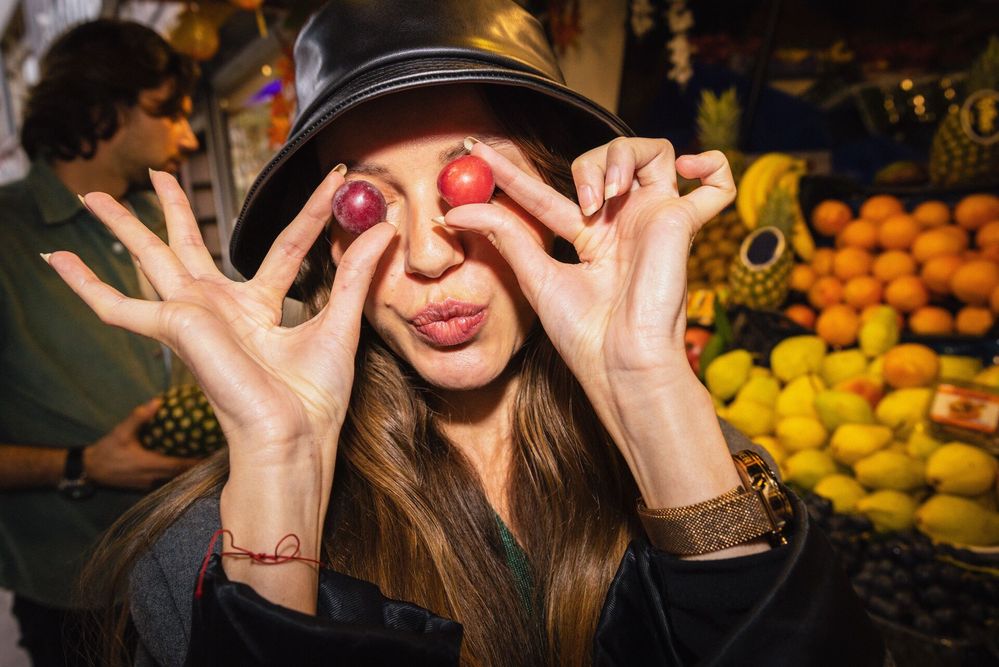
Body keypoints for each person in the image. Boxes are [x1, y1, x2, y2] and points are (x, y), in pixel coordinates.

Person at [50, 2, 886, 665]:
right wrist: (281, 468)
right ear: (324, 247)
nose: (424, 255)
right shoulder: (209, 552)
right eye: (365, 203)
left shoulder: (711, 471)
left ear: (562, 201)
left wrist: (649, 387)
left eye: (474, 179)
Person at [0, 19, 199, 667]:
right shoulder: (5, 237)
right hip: (79, 595)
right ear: (99, 110)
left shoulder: (158, 219)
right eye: (167, 112)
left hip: (196, 561)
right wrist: (81, 464)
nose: (189, 135)